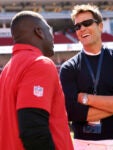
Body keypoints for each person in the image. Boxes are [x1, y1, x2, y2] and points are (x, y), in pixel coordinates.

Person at [60, 4, 113, 150]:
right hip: (85, 143)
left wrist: (87, 99)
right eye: (77, 27)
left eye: (87, 23)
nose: (82, 29)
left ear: (100, 26)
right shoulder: (69, 67)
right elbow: (72, 112)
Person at [0, 11, 73, 150]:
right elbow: (33, 131)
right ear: (39, 32)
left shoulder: (7, 69)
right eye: (50, 30)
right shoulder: (39, 63)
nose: (53, 36)